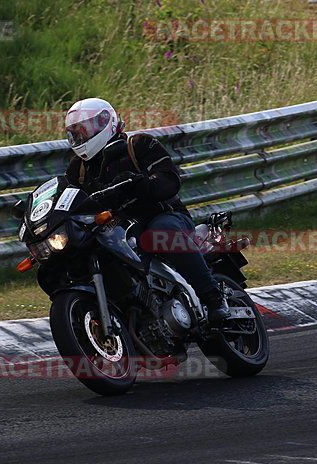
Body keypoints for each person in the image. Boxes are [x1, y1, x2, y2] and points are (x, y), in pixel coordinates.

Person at [63, 97, 229, 324]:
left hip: (161, 213)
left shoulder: (139, 145)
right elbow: (68, 197)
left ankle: (213, 297)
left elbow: (170, 180)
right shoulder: (77, 169)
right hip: (117, 226)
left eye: (86, 130)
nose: (81, 137)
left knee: (163, 232)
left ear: (106, 122)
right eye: (76, 133)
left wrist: (141, 183)